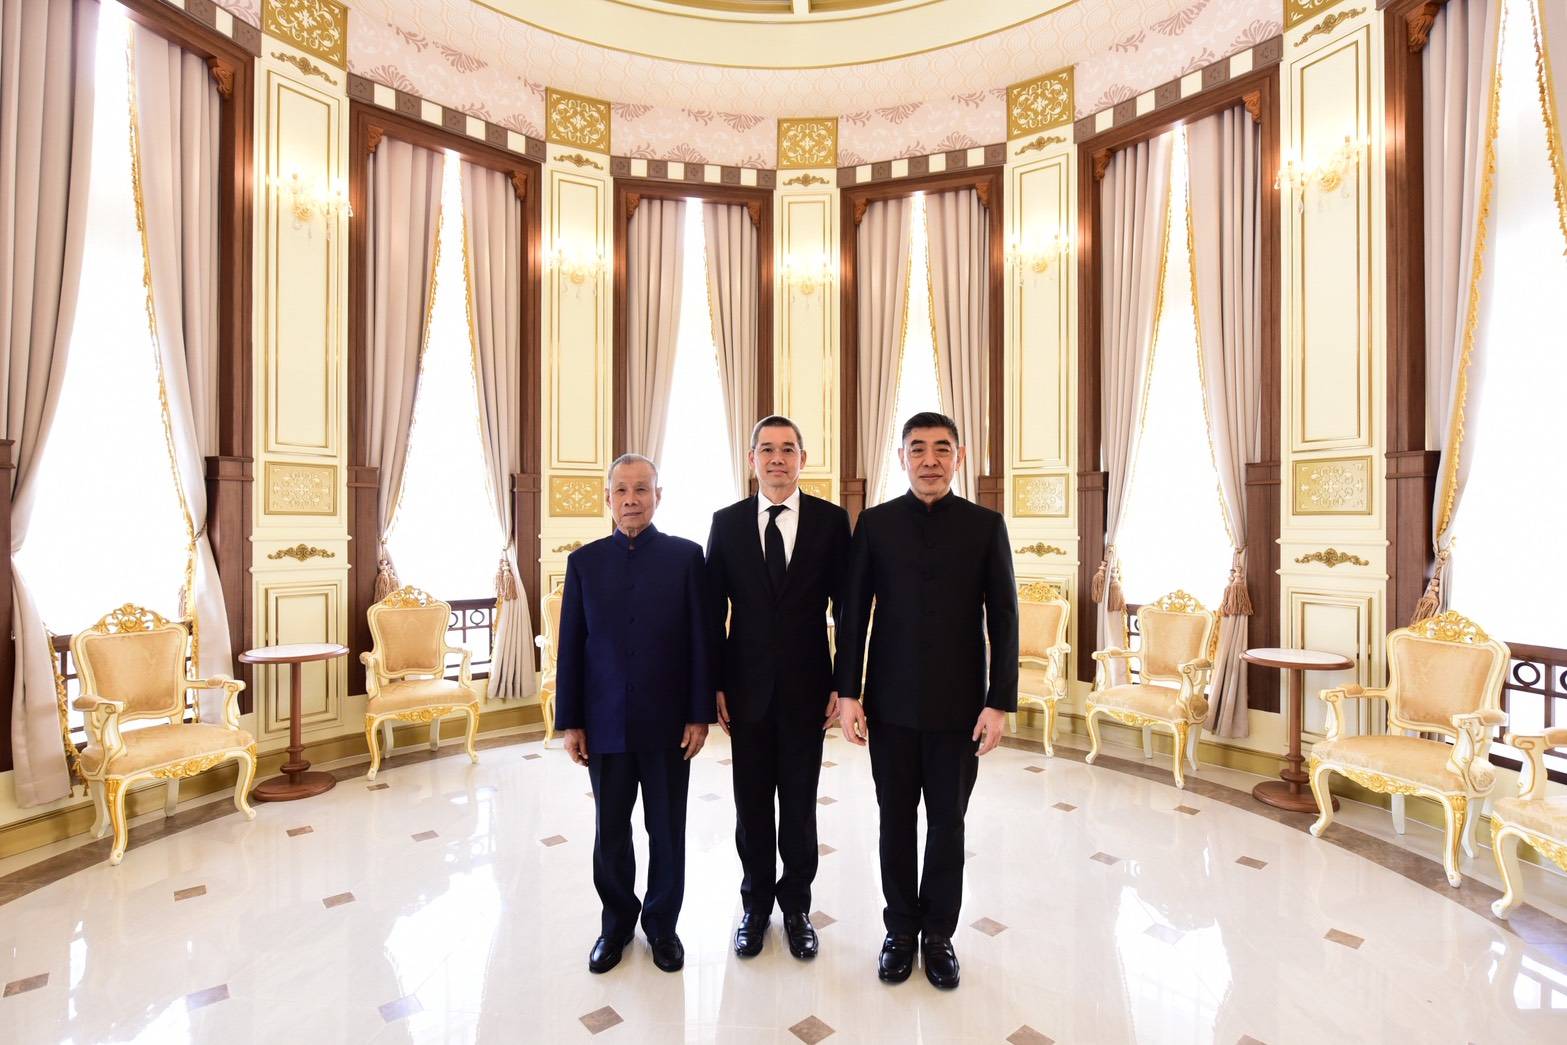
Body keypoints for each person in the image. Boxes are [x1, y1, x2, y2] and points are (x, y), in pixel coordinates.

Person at [835, 411, 1018, 990]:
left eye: (942, 449)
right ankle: (898, 930)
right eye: (918, 449)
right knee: (894, 821)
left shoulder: (986, 526)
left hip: (960, 711)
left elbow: (1005, 619)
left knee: (946, 825)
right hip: (888, 707)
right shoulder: (876, 524)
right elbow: (853, 615)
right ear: (902, 458)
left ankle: (938, 934)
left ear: (958, 458)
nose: (930, 460)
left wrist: (999, 702)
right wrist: (848, 693)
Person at [555, 453, 716, 976]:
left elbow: (702, 642)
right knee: (611, 831)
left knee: (667, 829)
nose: (631, 500)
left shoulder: (686, 557)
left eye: (641, 489)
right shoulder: (584, 563)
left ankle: (662, 926)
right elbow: (571, 648)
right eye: (621, 490)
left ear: (658, 496)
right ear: (607, 498)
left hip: (668, 724)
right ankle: (616, 925)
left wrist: (699, 714)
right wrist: (571, 721)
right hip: (604, 723)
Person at [705, 416, 851, 960]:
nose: (777, 458)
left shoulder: (832, 522)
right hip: (745, 692)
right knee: (751, 806)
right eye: (766, 449)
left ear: (802, 459)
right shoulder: (726, 523)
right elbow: (711, 613)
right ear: (752, 460)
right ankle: (754, 907)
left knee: (799, 805)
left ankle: (796, 909)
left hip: (808, 690)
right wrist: (715, 684)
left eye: (788, 449)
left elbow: (848, 611)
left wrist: (844, 683)